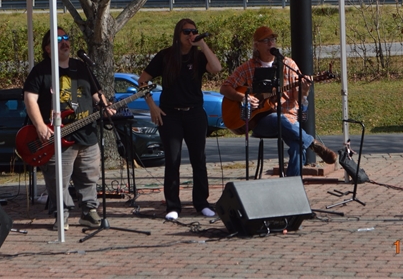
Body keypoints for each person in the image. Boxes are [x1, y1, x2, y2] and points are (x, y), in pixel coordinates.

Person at [23, 27, 114, 231]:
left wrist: (106, 107)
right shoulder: (41, 71)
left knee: (89, 176)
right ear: (48, 48)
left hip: (87, 133)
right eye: (59, 39)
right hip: (58, 136)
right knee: (58, 180)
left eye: (66, 38)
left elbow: (96, 93)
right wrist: (39, 125)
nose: (65, 42)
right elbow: (30, 98)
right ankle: (62, 215)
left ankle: (89, 213)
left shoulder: (81, 67)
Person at [220, 26, 337, 177]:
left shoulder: (288, 66)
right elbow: (225, 88)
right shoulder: (248, 68)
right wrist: (243, 97)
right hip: (261, 122)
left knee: (297, 144)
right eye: (266, 40)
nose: (271, 44)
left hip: (289, 118)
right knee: (278, 118)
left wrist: (305, 89)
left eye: (273, 39)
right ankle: (313, 143)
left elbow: (300, 101)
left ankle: (292, 185)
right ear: (257, 45)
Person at [138, 18, 222, 221]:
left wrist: (202, 43)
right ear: (178, 34)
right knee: (173, 160)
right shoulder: (165, 56)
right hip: (170, 114)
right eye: (186, 32)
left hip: (194, 112)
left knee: (198, 160)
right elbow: (142, 80)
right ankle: (173, 205)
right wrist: (152, 106)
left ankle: (201, 203)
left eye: (194, 31)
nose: (190, 35)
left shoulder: (199, 57)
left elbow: (217, 68)